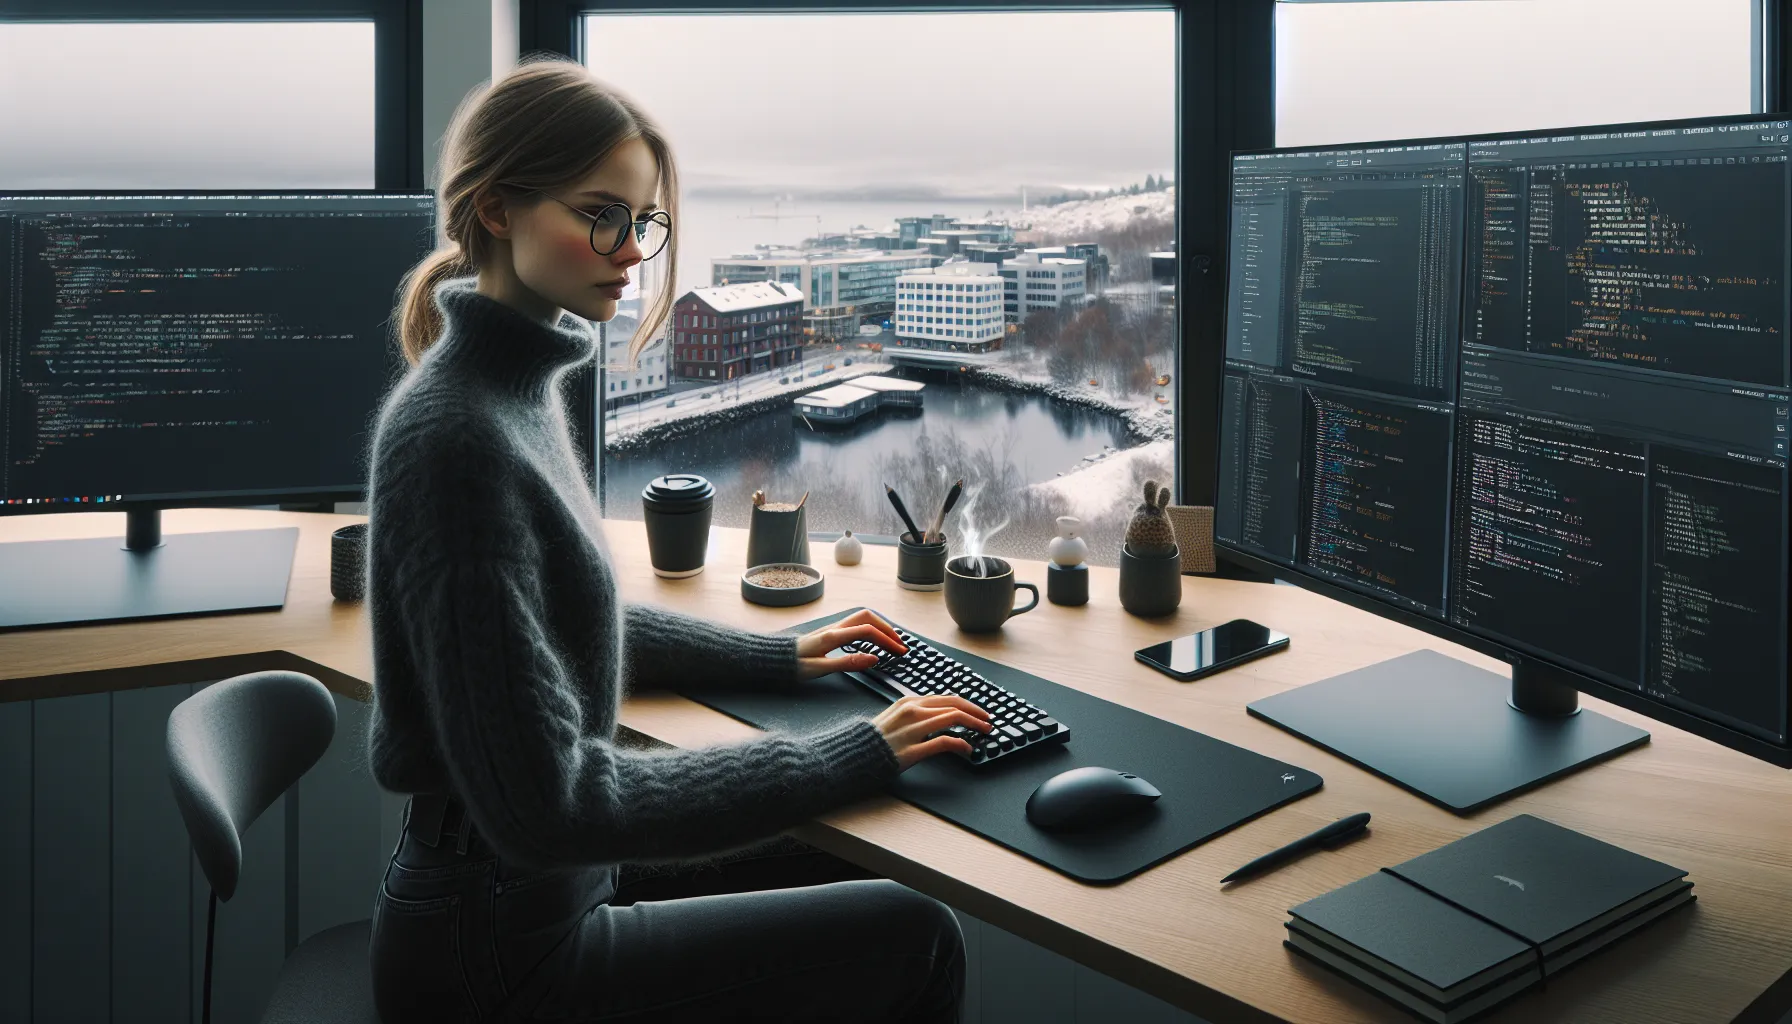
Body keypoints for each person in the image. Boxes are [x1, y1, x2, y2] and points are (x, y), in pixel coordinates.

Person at [363, 56, 993, 1023]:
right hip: (499, 953)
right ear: (497, 210)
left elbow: (562, 628)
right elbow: (549, 808)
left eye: (642, 221)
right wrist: (841, 753)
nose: (633, 252)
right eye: (602, 215)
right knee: (917, 932)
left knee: (873, 845)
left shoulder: (507, 393)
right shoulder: (458, 440)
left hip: (528, 893)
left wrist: (777, 660)